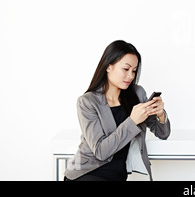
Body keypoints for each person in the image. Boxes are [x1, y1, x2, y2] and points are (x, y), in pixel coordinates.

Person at [64, 40, 171, 181]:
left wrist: (161, 115)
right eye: (126, 69)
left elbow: (163, 134)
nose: (131, 76)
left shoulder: (138, 94)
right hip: (85, 173)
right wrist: (132, 121)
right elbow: (101, 152)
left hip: (116, 175)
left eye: (134, 70)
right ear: (109, 66)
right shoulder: (87, 102)